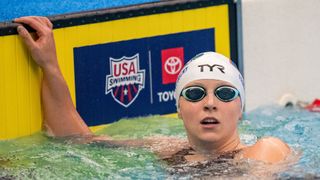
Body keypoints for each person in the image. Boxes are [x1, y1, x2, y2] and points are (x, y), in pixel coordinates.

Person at [14, 16, 290, 165]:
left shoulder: (266, 150)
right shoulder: (168, 149)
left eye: (225, 94)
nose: (210, 103)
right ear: (179, 109)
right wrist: (49, 65)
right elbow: (76, 138)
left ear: (241, 108)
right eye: (195, 93)